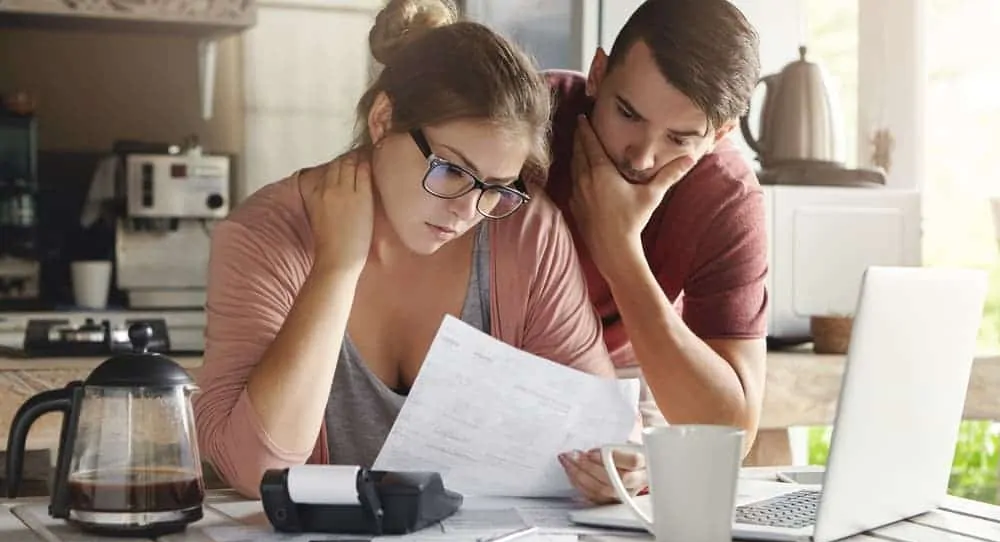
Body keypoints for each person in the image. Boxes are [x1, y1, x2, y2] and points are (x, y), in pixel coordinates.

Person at [192, 0, 644, 501]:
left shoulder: (526, 231)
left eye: (495, 186)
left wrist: (619, 467)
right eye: (451, 170)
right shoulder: (264, 236)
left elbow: (599, 430)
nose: (467, 210)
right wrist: (337, 267)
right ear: (383, 120)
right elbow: (256, 469)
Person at [540, 0, 769, 503]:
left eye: (679, 138)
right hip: (490, 353)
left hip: (630, 374)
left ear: (721, 134)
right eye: (627, 114)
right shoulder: (529, 116)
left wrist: (620, 253)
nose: (642, 156)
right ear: (598, 74)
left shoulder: (726, 196)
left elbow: (730, 431)